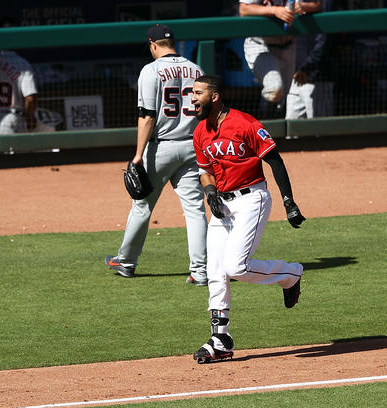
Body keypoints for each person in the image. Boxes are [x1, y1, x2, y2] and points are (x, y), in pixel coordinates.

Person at [190, 75, 306, 363]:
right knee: (215, 271)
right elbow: (205, 169)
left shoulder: (246, 123)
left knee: (235, 267)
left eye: (197, 93)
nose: (192, 98)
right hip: (222, 205)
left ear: (214, 97)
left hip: (252, 199)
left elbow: (274, 160)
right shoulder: (200, 132)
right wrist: (210, 192)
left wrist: (288, 202)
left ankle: (290, 275)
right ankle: (221, 339)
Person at [105, 24, 209, 286]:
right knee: (195, 210)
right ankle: (200, 271)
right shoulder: (196, 69)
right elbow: (206, 112)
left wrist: (138, 155)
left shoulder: (150, 71)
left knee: (142, 205)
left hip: (160, 147)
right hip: (191, 145)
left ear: (153, 45)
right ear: (173, 42)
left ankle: (126, 262)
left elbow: (147, 116)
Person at [239, 0, 301, 118]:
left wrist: (302, 7)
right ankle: (262, 128)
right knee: (274, 88)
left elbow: (316, 5)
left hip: (289, 45)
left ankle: (272, 132)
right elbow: (244, 9)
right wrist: (274, 10)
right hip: (261, 45)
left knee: (282, 100)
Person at [286, 0, 336, 119]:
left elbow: (325, 39)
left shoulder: (326, 3)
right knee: (292, 130)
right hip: (296, 74)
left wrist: (307, 67)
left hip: (317, 76)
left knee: (320, 131)